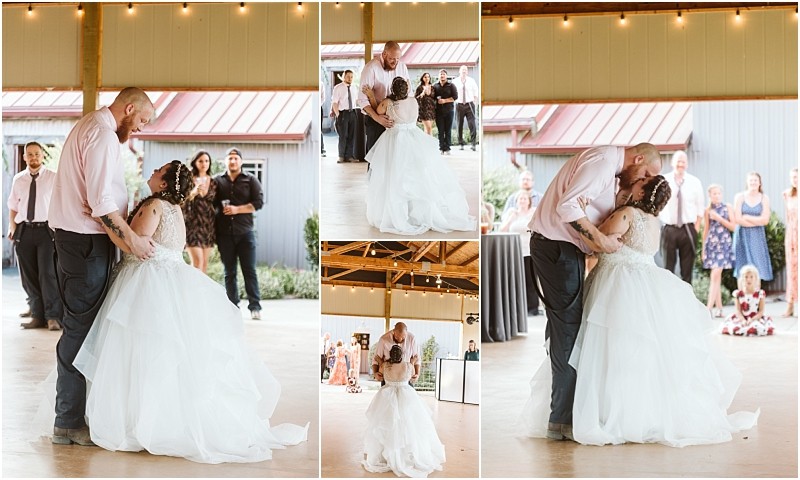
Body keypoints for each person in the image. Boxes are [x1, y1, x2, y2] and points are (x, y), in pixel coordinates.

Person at [71, 160, 308, 463]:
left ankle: (135, 420)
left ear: (165, 183)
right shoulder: (174, 209)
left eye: (160, 170)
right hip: (169, 278)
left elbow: (134, 246)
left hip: (145, 282)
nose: (154, 170)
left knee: (138, 349)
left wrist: (106, 220)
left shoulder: (155, 205)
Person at [523, 175, 759, 446]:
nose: (636, 182)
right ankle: (636, 412)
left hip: (616, 283)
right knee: (638, 352)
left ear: (643, 191)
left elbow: (594, 241)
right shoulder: (655, 222)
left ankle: (603, 413)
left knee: (607, 348)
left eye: (641, 182)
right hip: (644, 283)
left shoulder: (626, 215)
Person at [528, 143, 663, 441]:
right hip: (557, 248)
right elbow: (569, 206)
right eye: (646, 174)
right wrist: (600, 240)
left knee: (568, 329)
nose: (645, 181)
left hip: (562, 249)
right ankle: (561, 420)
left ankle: (567, 413)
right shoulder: (603, 162)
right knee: (569, 331)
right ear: (638, 159)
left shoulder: (610, 169)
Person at [48, 87, 157, 447]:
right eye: (142, 120)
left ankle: (74, 416)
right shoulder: (103, 135)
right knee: (79, 331)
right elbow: (101, 202)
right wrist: (134, 240)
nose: (141, 128)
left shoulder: (94, 126)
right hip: (84, 246)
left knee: (81, 327)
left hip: (79, 243)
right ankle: (68, 421)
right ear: (129, 109)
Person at [362, 77, 475, 235]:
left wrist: (372, 96)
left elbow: (377, 111)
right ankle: (417, 212)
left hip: (396, 141)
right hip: (414, 138)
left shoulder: (388, 102)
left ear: (392, 90)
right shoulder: (413, 101)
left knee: (395, 177)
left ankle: (398, 213)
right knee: (417, 176)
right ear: (406, 89)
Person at [362, 345, 445, 477]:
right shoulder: (408, 366)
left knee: (387, 425)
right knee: (408, 425)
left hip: (387, 396)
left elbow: (381, 375)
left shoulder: (385, 366)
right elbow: (411, 375)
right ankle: (407, 453)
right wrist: (411, 362)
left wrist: (380, 361)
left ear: (390, 355)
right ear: (402, 355)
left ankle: (386, 454)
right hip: (406, 395)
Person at [7, 141, 63, 331]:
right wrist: (12, 226)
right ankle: (37, 314)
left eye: (37, 154)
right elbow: (13, 206)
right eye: (29, 154)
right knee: (28, 275)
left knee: (48, 274)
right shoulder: (18, 179)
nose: (33, 157)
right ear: (24, 157)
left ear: (42, 155)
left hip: (47, 230)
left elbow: (60, 204)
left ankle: (53, 316)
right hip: (24, 229)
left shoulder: (53, 178)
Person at [214, 147, 264, 320]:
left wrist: (237, 209)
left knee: (249, 270)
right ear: (225, 161)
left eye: (236, 158)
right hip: (224, 234)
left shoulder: (250, 180)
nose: (233, 161)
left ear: (241, 161)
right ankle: (232, 307)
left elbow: (258, 203)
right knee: (229, 272)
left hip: (245, 233)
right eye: (230, 158)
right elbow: (210, 202)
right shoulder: (218, 181)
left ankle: (255, 307)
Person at [357, 41, 410, 156]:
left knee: (394, 156)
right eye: (392, 58)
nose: (395, 62)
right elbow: (362, 100)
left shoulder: (402, 67)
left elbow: (407, 90)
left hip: (397, 120)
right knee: (375, 157)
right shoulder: (371, 68)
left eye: (397, 59)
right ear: (384, 54)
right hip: (375, 119)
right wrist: (378, 118)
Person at [659, 151, 704, 284]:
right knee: (668, 267)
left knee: (687, 269)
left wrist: (695, 228)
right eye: (678, 161)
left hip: (688, 229)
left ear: (687, 164)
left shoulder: (694, 182)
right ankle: (669, 299)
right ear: (673, 163)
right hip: (669, 228)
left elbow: (700, 208)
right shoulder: (664, 180)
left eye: (683, 161)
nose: (680, 164)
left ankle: (687, 300)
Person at [501, 190, 539, 315]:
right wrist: (510, 219)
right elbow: (502, 230)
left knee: (531, 280)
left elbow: (538, 228)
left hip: (530, 251)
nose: (522, 201)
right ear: (516, 201)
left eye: (524, 199)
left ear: (529, 201)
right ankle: (518, 307)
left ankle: (532, 308)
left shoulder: (533, 212)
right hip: (514, 251)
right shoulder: (512, 212)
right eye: (520, 199)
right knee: (516, 280)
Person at [702, 184, 736, 318]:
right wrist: (703, 250)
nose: (716, 196)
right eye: (714, 194)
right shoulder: (707, 210)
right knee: (715, 276)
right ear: (709, 195)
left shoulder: (728, 207)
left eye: (718, 193)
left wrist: (719, 218)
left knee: (716, 274)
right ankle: (720, 308)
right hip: (712, 245)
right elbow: (705, 230)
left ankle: (708, 308)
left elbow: (733, 227)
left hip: (724, 244)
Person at [732, 172, 773, 282]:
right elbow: (738, 219)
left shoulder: (764, 198)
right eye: (751, 180)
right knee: (742, 264)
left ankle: (756, 295)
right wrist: (756, 221)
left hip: (757, 235)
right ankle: (742, 295)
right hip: (742, 235)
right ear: (747, 182)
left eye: (755, 180)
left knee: (758, 263)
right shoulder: (740, 197)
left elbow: (765, 220)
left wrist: (747, 217)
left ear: (760, 183)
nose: (753, 182)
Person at [183, 150, 217, 274]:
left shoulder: (213, 182)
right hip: (193, 225)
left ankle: (201, 293)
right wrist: (193, 192)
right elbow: (181, 202)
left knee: (204, 265)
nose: (204, 164)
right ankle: (191, 291)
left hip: (208, 226)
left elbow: (215, 203)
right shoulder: (189, 180)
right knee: (197, 263)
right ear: (195, 162)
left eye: (207, 161)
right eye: (201, 161)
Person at [721, 265, 775, 336]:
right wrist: (743, 320)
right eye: (746, 277)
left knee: (759, 327)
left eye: (751, 277)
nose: (748, 279)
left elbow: (761, 311)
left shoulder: (760, 294)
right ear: (742, 279)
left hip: (755, 318)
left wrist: (752, 319)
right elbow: (738, 311)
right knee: (735, 328)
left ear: (755, 279)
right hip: (742, 318)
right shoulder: (738, 294)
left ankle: (752, 329)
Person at [372, 322, 420, 386]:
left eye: (403, 338)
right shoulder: (383, 339)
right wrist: (375, 373)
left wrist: (417, 374)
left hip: (406, 379)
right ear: (393, 331)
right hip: (388, 380)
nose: (400, 340)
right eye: (397, 337)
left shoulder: (412, 338)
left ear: (406, 333)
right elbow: (376, 358)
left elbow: (417, 358)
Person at [330, 70, 359, 163]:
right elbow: (334, 102)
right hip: (343, 113)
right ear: (344, 77)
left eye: (351, 77)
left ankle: (349, 156)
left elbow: (356, 101)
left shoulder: (354, 87)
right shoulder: (338, 88)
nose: (350, 78)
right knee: (343, 135)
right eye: (348, 76)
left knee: (352, 135)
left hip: (353, 113)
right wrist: (338, 114)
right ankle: (341, 156)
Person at [782, 168, 798, 317]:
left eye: (797, 177)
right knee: (792, 269)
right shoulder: (787, 194)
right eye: (793, 177)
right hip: (792, 235)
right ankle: (790, 304)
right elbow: (788, 218)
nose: (795, 179)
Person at [432, 69, 458, 155]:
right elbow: (432, 97)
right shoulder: (435, 86)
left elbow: (455, 97)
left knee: (448, 130)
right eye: (440, 74)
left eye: (443, 74)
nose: (442, 76)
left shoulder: (451, 85)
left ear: (446, 76)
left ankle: (447, 148)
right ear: (438, 76)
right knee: (440, 130)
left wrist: (445, 101)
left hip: (449, 111)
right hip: (438, 112)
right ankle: (441, 148)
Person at [454, 65, 479, 151]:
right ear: (459, 71)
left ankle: (473, 144)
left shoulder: (471, 81)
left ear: (467, 72)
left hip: (469, 104)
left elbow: (476, 91)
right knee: (459, 125)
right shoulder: (455, 81)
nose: (464, 71)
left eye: (465, 70)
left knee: (472, 124)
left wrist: (474, 102)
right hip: (459, 105)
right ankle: (461, 143)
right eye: (462, 70)